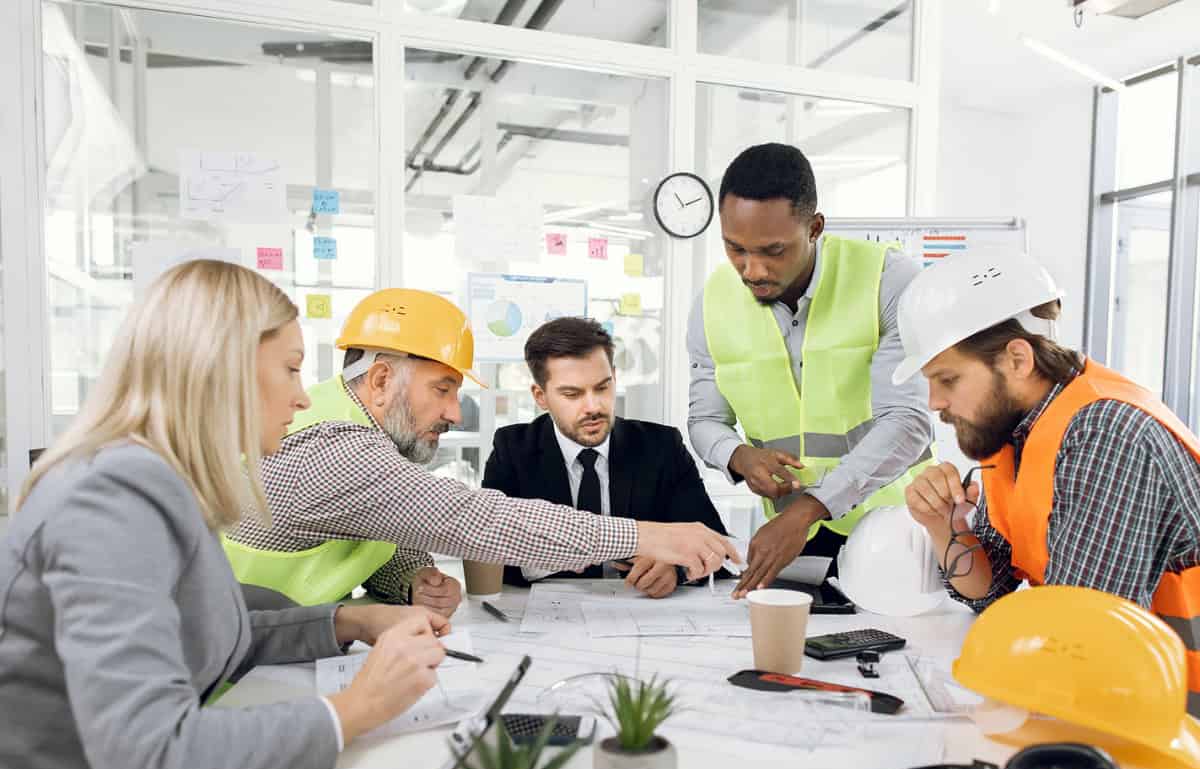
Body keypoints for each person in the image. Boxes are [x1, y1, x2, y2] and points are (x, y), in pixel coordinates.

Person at [0, 261, 452, 769]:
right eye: (291, 368)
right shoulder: (111, 497)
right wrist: (358, 707)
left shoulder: (158, 476)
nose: (302, 395)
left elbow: (205, 620)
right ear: (221, 369)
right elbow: (150, 760)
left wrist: (349, 620)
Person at [224, 289, 734, 612]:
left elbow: (367, 531)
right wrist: (646, 536)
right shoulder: (334, 447)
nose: (453, 413)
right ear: (381, 380)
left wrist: (409, 579)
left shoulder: (364, 431)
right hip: (239, 672)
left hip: (276, 643)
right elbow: (478, 521)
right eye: (442, 389)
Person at [894, 248, 1200, 715]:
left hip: (1174, 725)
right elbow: (989, 591)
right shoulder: (1016, 436)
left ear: (1017, 359)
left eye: (948, 379)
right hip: (1135, 712)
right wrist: (944, 524)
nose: (935, 402)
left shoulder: (1105, 435)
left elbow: (1081, 643)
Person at [687, 143, 934, 597]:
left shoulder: (890, 280)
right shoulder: (710, 304)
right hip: (791, 545)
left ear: (815, 227)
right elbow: (705, 420)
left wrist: (808, 509)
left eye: (773, 250)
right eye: (734, 248)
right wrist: (738, 457)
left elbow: (909, 420)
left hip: (898, 532)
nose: (752, 269)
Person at [482, 317, 729, 598]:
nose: (593, 407)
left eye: (602, 387)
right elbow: (489, 550)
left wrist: (677, 569)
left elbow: (718, 546)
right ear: (541, 396)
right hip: (551, 616)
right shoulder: (513, 449)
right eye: (572, 394)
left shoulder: (661, 446)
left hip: (642, 613)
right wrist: (565, 554)